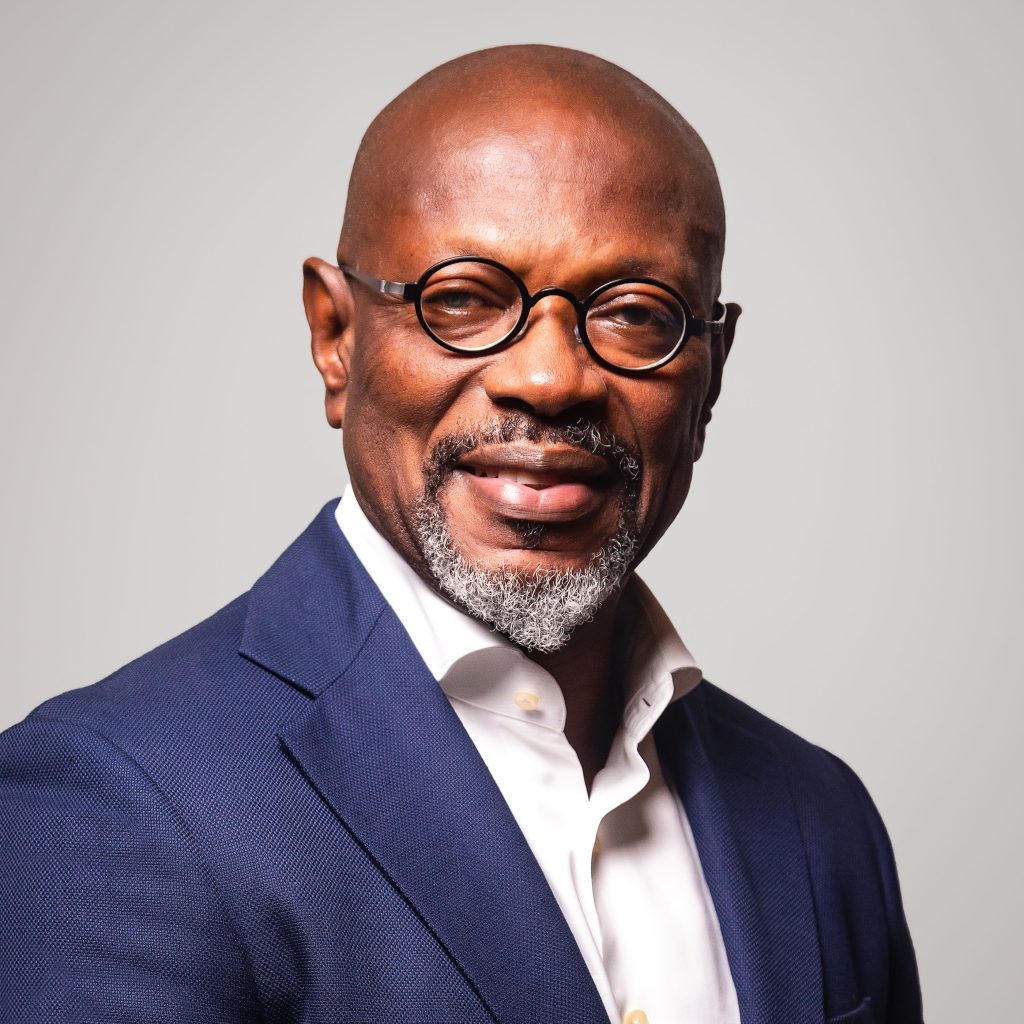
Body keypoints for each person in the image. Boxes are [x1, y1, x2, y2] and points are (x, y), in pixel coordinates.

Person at [0, 44, 922, 1024]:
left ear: (712, 372)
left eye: (633, 313)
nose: (550, 379)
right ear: (334, 337)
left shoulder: (818, 819)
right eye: (464, 300)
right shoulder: (111, 803)